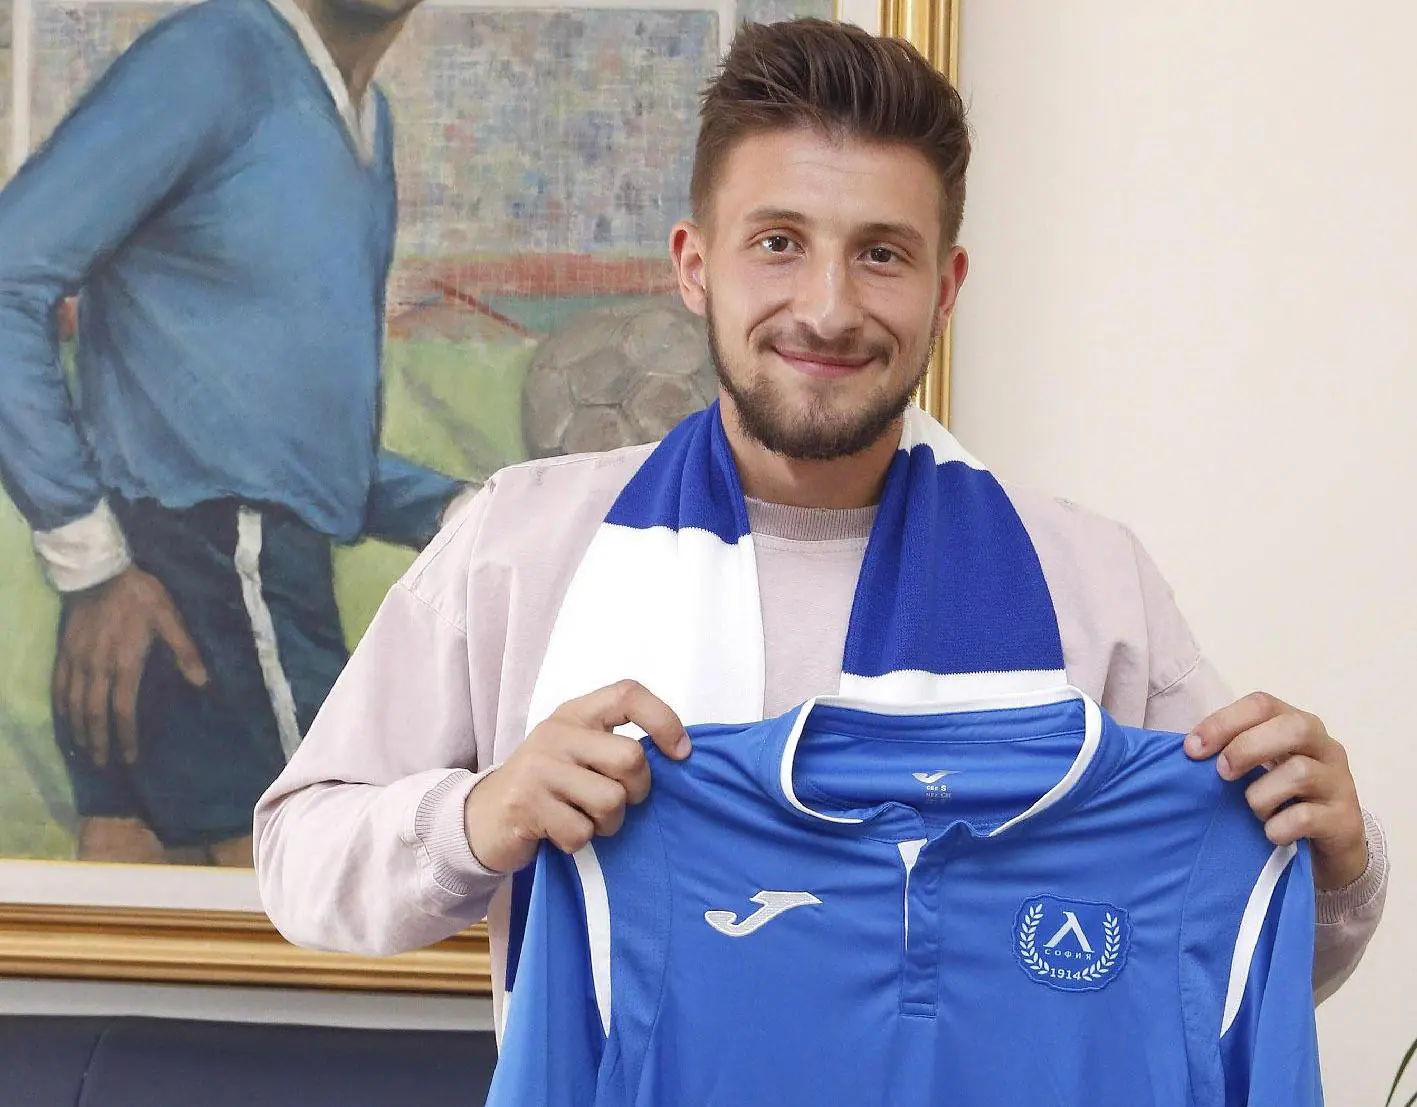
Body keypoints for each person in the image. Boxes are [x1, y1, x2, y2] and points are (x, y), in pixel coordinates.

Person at [253, 18, 1386, 1023]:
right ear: (695, 266)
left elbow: (1224, 950)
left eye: (881, 254)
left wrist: (1336, 867)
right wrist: (477, 816)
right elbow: (297, 861)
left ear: (945, 288)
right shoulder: (517, 543)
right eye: (778, 243)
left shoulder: (1090, 579)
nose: (829, 309)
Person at [0, 0, 471, 865]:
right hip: (214, 573)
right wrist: (90, 562)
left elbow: (272, 431)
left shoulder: (366, 117)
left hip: (226, 567)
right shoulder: (214, 58)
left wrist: (453, 507)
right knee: (330, 883)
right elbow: (6, 273)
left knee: (145, 893)